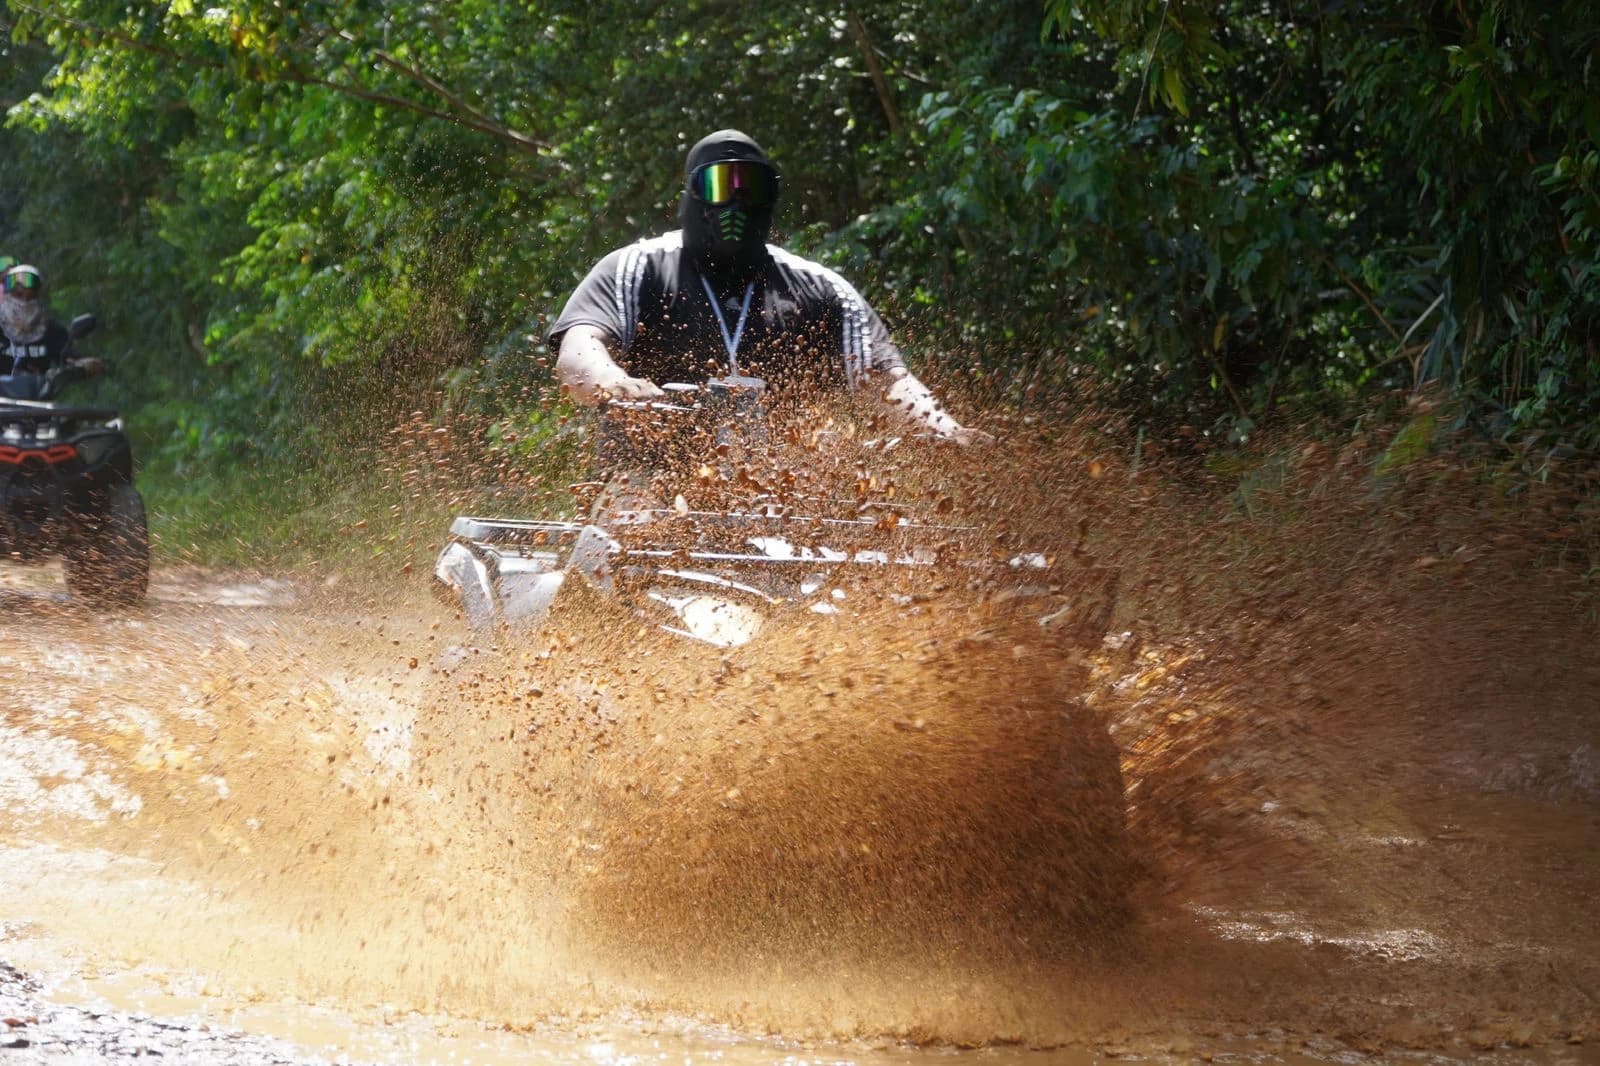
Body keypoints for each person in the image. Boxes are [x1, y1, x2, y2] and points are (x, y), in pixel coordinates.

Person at [549, 129, 992, 446]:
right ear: (689, 196)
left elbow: (889, 383)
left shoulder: (821, 290)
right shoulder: (636, 269)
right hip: (645, 488)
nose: (737, 202)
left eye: (751, 186)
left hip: (782, 503)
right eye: (720, 185)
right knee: (631, 522)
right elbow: (578, 350)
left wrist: (946, 431)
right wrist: (613, 382)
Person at [0, 264, 102, 379]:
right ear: (7, 296)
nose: (24, 302)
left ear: (38, 297)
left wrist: (83, 364)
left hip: (36, 394)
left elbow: (68, 357)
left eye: (30, 297)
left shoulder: (52, 331)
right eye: (18, 295)